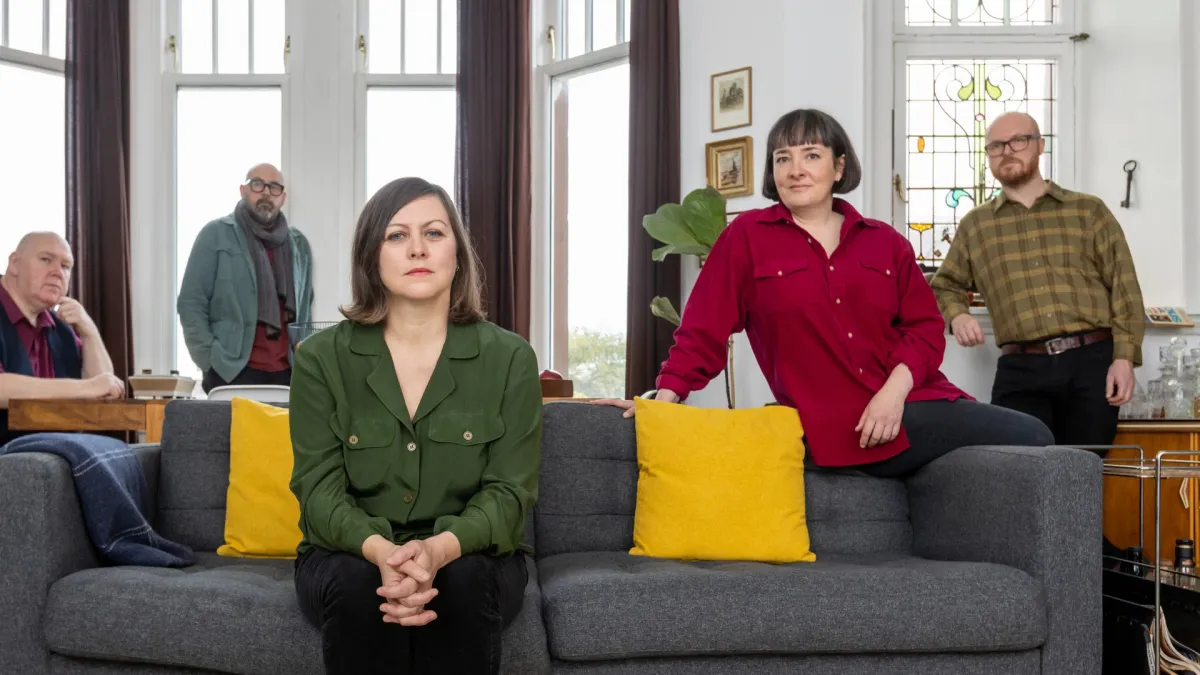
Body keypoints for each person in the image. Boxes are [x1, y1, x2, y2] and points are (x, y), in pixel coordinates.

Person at [596, 109, 1052, 477]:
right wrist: (664, 399)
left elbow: (925, 328)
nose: (795, 170)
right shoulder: (746, 237)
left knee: (1033, 437)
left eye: (811, 155)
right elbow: (702, 329)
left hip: (911, 404)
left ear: (839, 167)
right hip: (833, 425)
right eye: (782, 159)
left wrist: (892, 395)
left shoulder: (885, 242)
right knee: (1033, 436)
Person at [289, 177, 541, 674]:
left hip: (472, 555)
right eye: (397, 235)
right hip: (349, 555)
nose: (418, 249)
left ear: (457, 254)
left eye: (434, 233)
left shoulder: (511, 358)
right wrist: (386, 554)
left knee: (463, 581)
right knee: (358, 582)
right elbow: (318, 493)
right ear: (371, 257)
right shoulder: (319, 359)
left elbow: (511, 494)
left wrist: (436, 551)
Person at [930, 111, 1144, 450]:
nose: (1007, 151)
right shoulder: (975, 226)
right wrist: (957, 315)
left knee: (1083, 469)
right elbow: (944, 284)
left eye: (1018, 140)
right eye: (996, 146)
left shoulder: (1089, 211)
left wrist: (1124, 358)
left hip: (1092, 363)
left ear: (1040, 145)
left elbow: (1124, 287)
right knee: (1019, 469)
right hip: (1020, 368)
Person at [177, 163, 314, 394]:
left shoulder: (299, 245)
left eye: (274, 187)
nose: (266, 192)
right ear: (243, 190)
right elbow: (191, 302)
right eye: (257, 184)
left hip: (288, 375)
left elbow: (305, 311)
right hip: (231, 372)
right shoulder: (216, 234)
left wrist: (306, 363)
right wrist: (210, 361)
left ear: (283, 198)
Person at [0, 232, 124, 445]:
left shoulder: (61, 326)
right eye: (46, 259)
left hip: (54, 450)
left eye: (66, 266)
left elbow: (105, 393)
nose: (58, 272)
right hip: (9, 452)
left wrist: (89, 332)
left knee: (127, 452)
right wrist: (86, 389)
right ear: (14, 264)